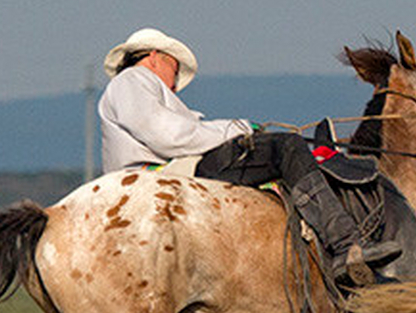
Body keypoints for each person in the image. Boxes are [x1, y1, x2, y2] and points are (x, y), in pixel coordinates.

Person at [97, 27, 400, 286]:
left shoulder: (135, 87)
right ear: (155, 57)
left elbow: (183, 131)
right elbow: (170, 135)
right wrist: (239, 129)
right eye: (175, 71)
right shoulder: (133, 80)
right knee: (288, 147)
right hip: (168, 174)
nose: (175, 84)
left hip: (169, 171)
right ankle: (346, 245)